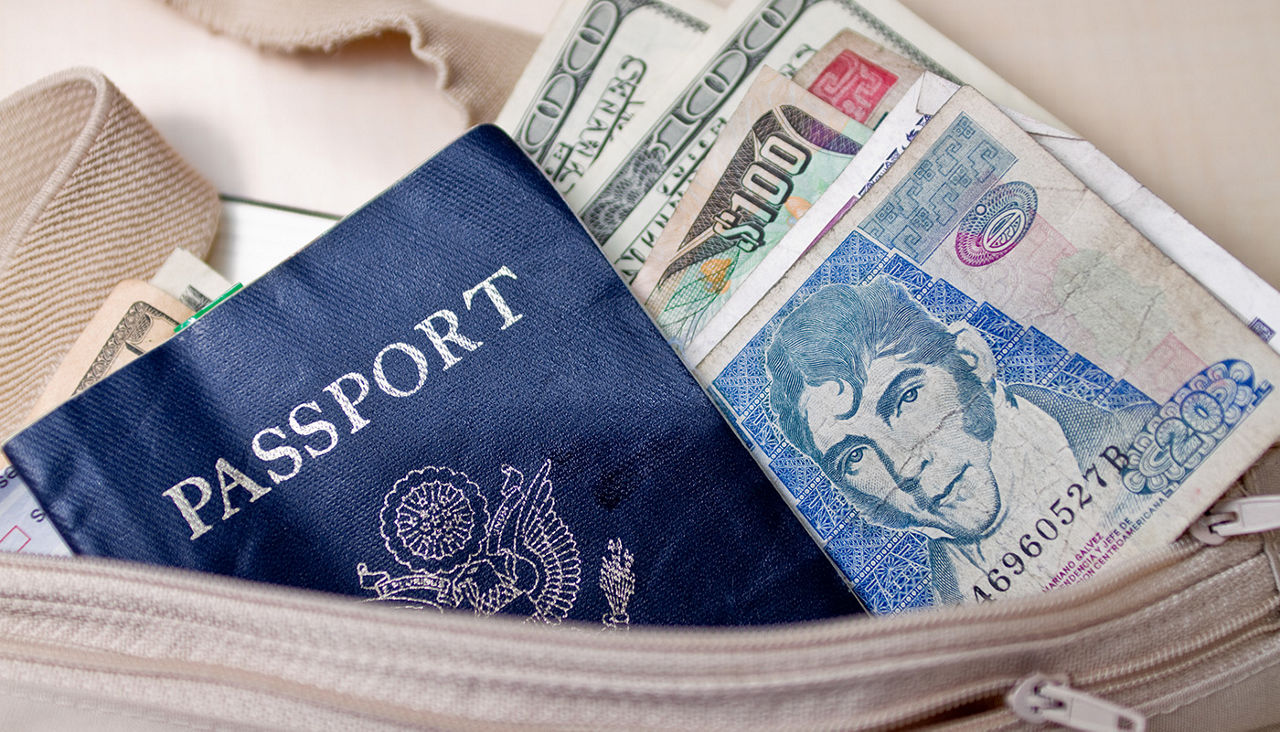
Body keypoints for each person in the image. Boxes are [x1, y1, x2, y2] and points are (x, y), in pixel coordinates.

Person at [765, 276, 1156, 603]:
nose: (902, 466)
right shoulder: (944, 616)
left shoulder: (1161, 439)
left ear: (971, 359)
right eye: (854, 457)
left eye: (907, 398)